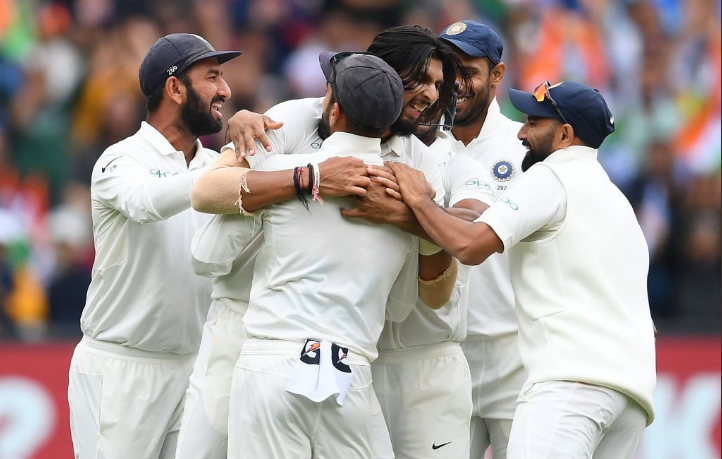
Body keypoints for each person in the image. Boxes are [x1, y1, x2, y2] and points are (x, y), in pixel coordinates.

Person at [176, 26, 462, 458]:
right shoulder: (294, 121)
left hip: (290, 352)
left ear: (337, 109)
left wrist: (409, 215)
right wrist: (310, 178)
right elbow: (206, 193)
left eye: (438, 84)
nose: (430, 94)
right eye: (420, 79)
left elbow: (205, 254)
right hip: (269, 332)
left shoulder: (416, 165)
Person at [389, 80, 657, 459]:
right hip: (631, 397)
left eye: (534, 123)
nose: (521, 132)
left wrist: (417, 201)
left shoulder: (551, 177)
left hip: (570, 387)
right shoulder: (618, 202)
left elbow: (469, 246)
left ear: (565, 134)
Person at [67, 33, 240, 459]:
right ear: (175, 88)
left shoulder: (211, 163)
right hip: (121, 368)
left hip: (196, 367)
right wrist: (234, 163)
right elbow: (146, 203)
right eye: (212, 77)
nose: (226, 90)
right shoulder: (118, 161)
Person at [440, 21, 528, 459]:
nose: (455, 82)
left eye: (468, 70)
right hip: (444, 356)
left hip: (515, 355)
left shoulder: (526, 146)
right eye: (447, 68)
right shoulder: (422, 145)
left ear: (497, 75)